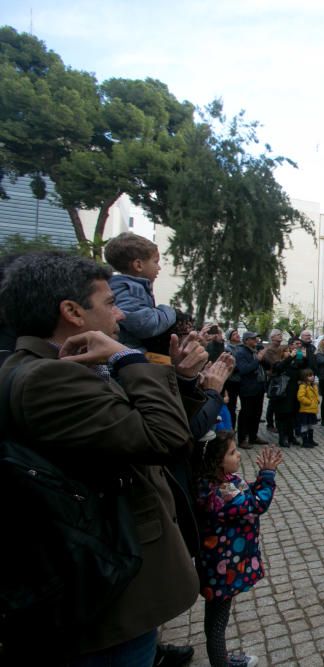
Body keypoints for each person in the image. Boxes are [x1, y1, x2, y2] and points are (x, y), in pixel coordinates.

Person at [0, 251, 199, 664]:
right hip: (103, 591)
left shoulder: (57, 365)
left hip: (104, 571)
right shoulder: (47, 378)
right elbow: (163, 437)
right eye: (109, 303)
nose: (120, 317)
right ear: (72, 312)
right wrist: (129, 358)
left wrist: (181, 381)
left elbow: (129, 424)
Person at [195, 431, 281, 667]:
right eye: (232, 452)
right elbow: (255, 504)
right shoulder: (221, 490)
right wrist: (268, 475)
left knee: (215, 617)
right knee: (217, 620)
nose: (239, 455)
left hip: (219, 565)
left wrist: (262, 479)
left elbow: (246, 493)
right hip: (222, 567)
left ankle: (220, 658)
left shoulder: (220, 481)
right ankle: (221, 663)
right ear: (216, 460)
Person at [103, 232, 176, 351]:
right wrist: (169, 311)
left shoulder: (123, 287)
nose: (159, 268)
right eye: (155, 262)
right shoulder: (131, 289)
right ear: (138, 265)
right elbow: (146, 324)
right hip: (127, 354)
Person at [233, 331, 270, 448]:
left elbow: (268, 366)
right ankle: (242, 439)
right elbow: (243, 370)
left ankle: (253, 436)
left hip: (258, 387)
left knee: (257, 413)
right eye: (253, 339)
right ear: (246, 340)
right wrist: (257, 360)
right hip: (247, 388)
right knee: (246, 414)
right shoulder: (240, 352)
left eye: (256, 338)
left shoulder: (255, 351)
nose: (256, 341)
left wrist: (262, 358)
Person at [261, 329, 285, 433]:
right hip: (273, 378)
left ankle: (278, 421)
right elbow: (275, 364)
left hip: (281, 377)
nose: (280, 336)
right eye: (278, 335)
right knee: (273, 402)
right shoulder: (269, 350)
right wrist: (285, 360)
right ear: (272, 338)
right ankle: (270, 423)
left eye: (281, 335)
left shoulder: (282, 348)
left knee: (279, 402)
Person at [297, 368, 320, 448]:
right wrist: (309, 402)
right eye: (310, 375)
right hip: (305, 410)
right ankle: (305, 441)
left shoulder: (312, 385)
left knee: (311, 425)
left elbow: (316, 395)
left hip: (312, 410)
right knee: (304, 425)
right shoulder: (303, 386)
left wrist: (317, 400)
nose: (312, 377)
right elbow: (300, 397)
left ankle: (311, 440)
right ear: (305, 377)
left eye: (312, 375)